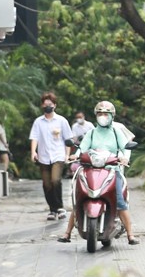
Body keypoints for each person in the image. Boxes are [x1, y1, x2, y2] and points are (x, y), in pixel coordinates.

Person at [57, 101, 139, 245]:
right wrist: (75, 155)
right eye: (100, 114)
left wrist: (125, 158)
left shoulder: (116, 132)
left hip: (112, 170)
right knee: (79, 198)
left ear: (111, 116)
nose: (102, 116)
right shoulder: (92, 132)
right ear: (96, 116)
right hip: (91, 169)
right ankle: (67, 233)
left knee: (119, 201)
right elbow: (82, 148)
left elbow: (126, 147)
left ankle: (130, 235)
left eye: (105, 114)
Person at [29, 92, 73, 221]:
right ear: (42, 105)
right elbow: (34, 137)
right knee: (47, 184)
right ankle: (52, 209)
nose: (47, 106)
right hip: (43, 156)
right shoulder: (38, 122)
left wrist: (67, 155)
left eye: (50, 104)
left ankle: (60, 208)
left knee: (55, 180)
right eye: (45, 104)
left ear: (54, 105)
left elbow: (68, 139)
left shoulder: (61, 121)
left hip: (58, 155)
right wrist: (33, 152)